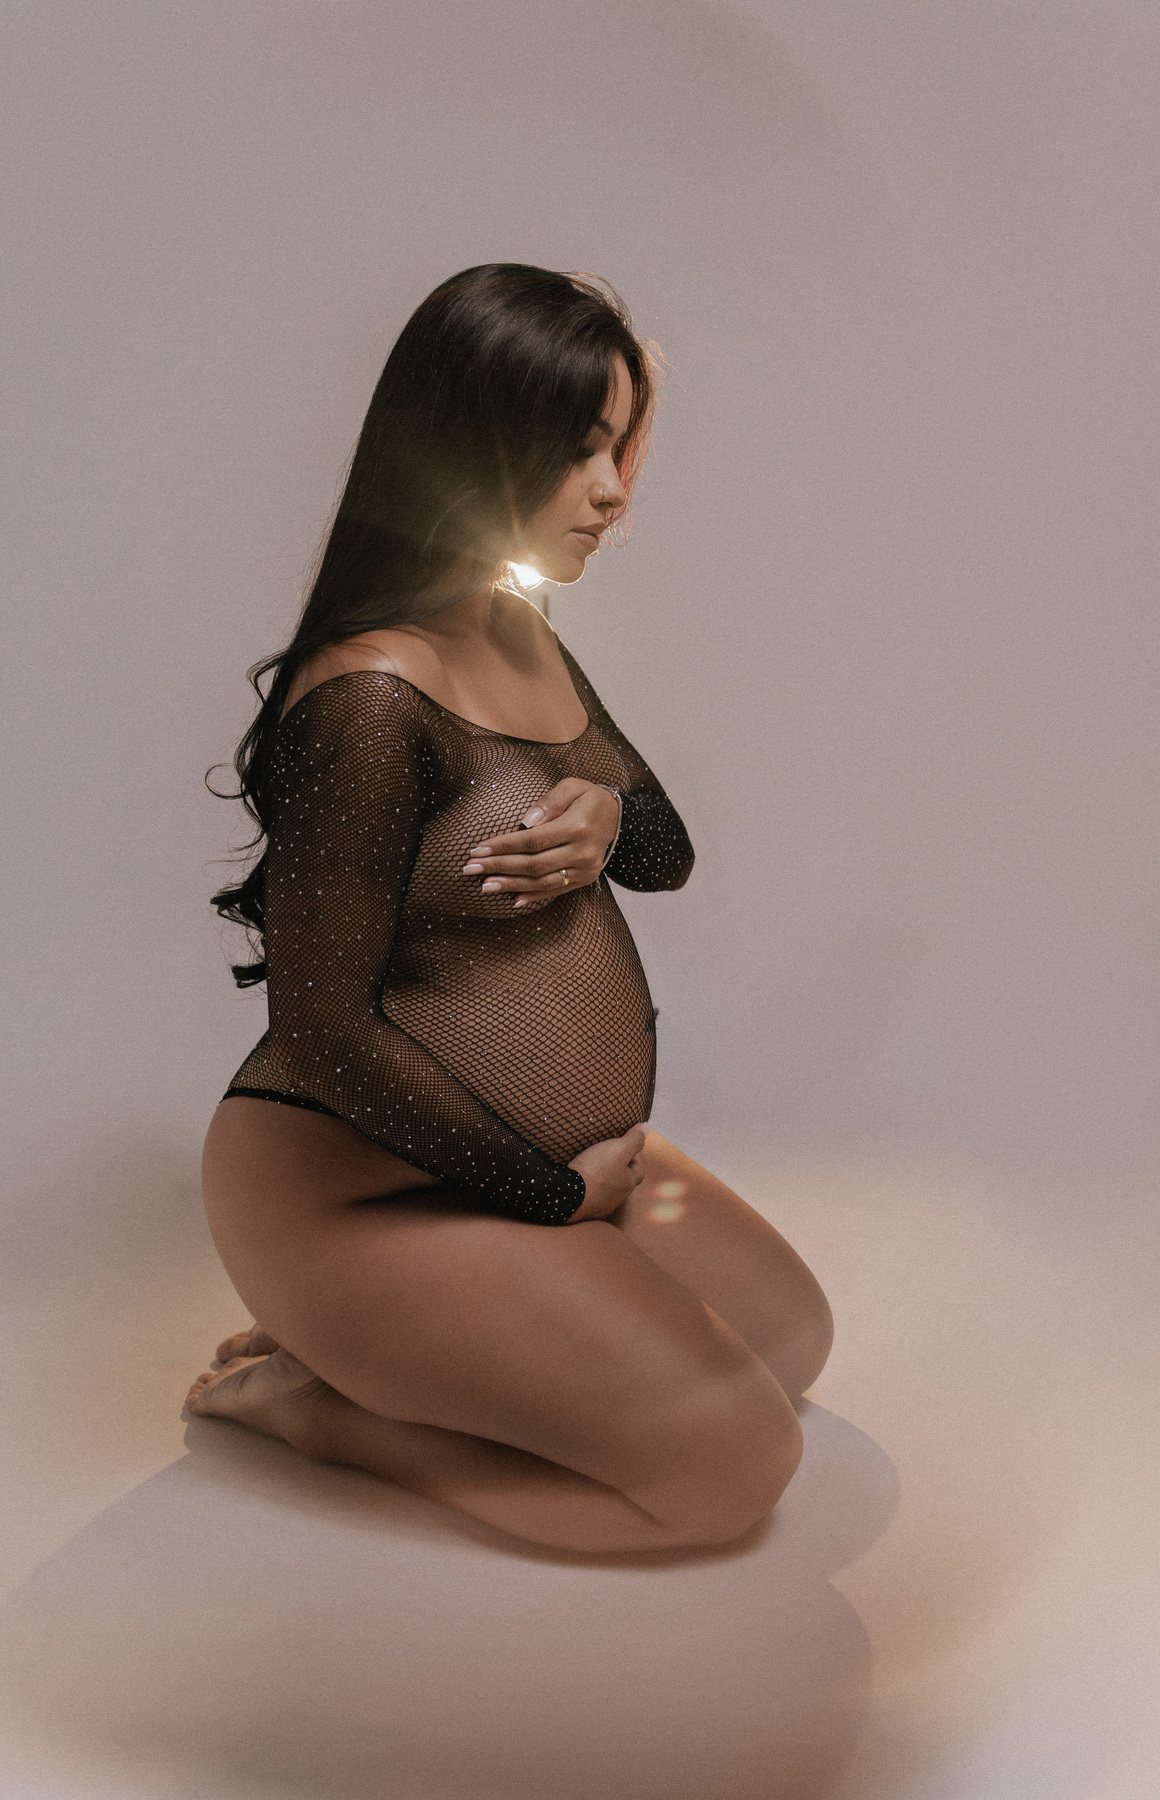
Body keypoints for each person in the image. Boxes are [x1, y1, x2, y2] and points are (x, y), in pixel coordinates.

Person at [188, 264, 833, 1554]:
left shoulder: (521, 628)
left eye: (617, 446)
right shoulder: (370, 698)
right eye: (579, 449)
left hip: (537, 1170)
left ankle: (435, 1342)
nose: (613, 490)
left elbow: (663, 851)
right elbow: (324, 1031)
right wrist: (550, 1196)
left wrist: (601, 814)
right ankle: (319, 1405)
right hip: (361, 1196)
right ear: (471, 447)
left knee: (791, 1339)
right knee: (729, 1471)